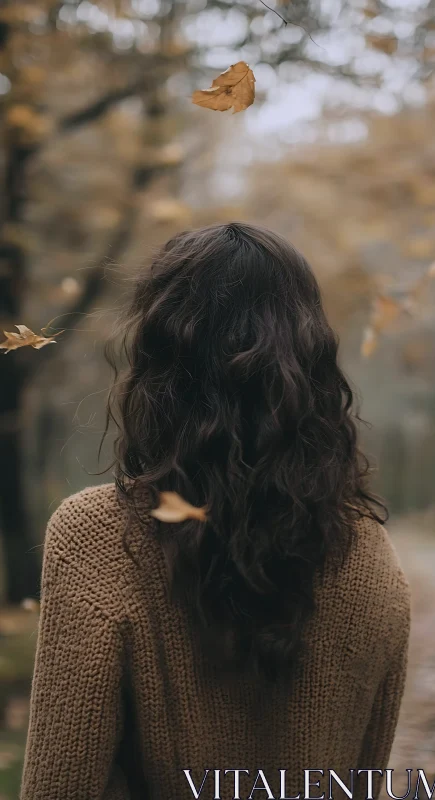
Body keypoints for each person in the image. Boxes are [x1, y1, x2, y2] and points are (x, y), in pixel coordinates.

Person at [20, 222, 411, 800]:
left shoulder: (97, 536)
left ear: (159, 364)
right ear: (311, 366)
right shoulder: (370, 556)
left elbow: (60, 786)